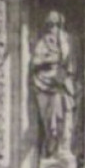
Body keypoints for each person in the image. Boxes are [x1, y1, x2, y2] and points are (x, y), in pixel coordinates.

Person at [29, 12, 75, 160]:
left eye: (56, 25)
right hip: (44, 83)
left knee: (64, 114)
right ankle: (51, 146)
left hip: (61, 84)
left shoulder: (66, 40)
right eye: (50, 25)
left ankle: (63, 146)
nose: (53, 29)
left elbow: (70, 61)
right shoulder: (43, 42)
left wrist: (63, 44)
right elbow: (35, 62)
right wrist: (49, 60)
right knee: (48, 121)